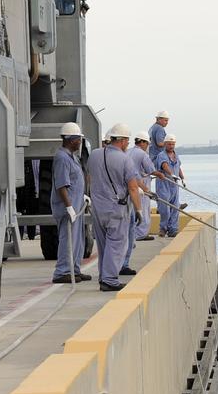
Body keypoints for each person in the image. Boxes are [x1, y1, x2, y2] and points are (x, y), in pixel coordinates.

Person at [86, 122, 142, 291]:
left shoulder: (94, 155)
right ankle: (110, 279)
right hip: (116, 208)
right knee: (117, 244)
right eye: (127, 141)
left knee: (103, 245)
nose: (128, 144)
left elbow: (89, 178)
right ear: (123, 140)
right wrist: (138, 210)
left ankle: (104, 276)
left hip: (97, 208)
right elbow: (133, 187)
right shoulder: (125, 159)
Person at [50, 123, 90, 283]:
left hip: (77, 205)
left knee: (78, 240)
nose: (80, 142)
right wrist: (69, 206)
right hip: (69, 208)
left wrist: (83, 197)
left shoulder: (71, 157)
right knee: (68, 240)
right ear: (70, 140)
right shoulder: (61, 158)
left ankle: (75, 269)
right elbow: (61, 185)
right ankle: (62, 272)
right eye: (78, 139)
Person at [121, 131, 159, 275]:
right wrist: (158, 176)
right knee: (141, 211)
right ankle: (140, 235)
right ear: (143, 142)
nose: (148, 146)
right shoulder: (143, 155)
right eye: (147, 143)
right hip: (139, 187)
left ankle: (135, 237)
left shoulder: (128, 152)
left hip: (127, 191)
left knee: (130, 217)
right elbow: (150, 170)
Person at [155, 135, 185, 237]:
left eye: (173, 144)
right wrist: (171, 174)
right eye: (169, 144)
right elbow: (164, 165)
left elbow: (178, 167)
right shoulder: (161, 155)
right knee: (165, 209)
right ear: (165, 144)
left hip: (174, 185)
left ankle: (173, 229)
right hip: (164, 185)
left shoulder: (176, 155)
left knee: (175, 208)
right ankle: (163, 228)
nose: (171, 146)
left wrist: (182, 178)